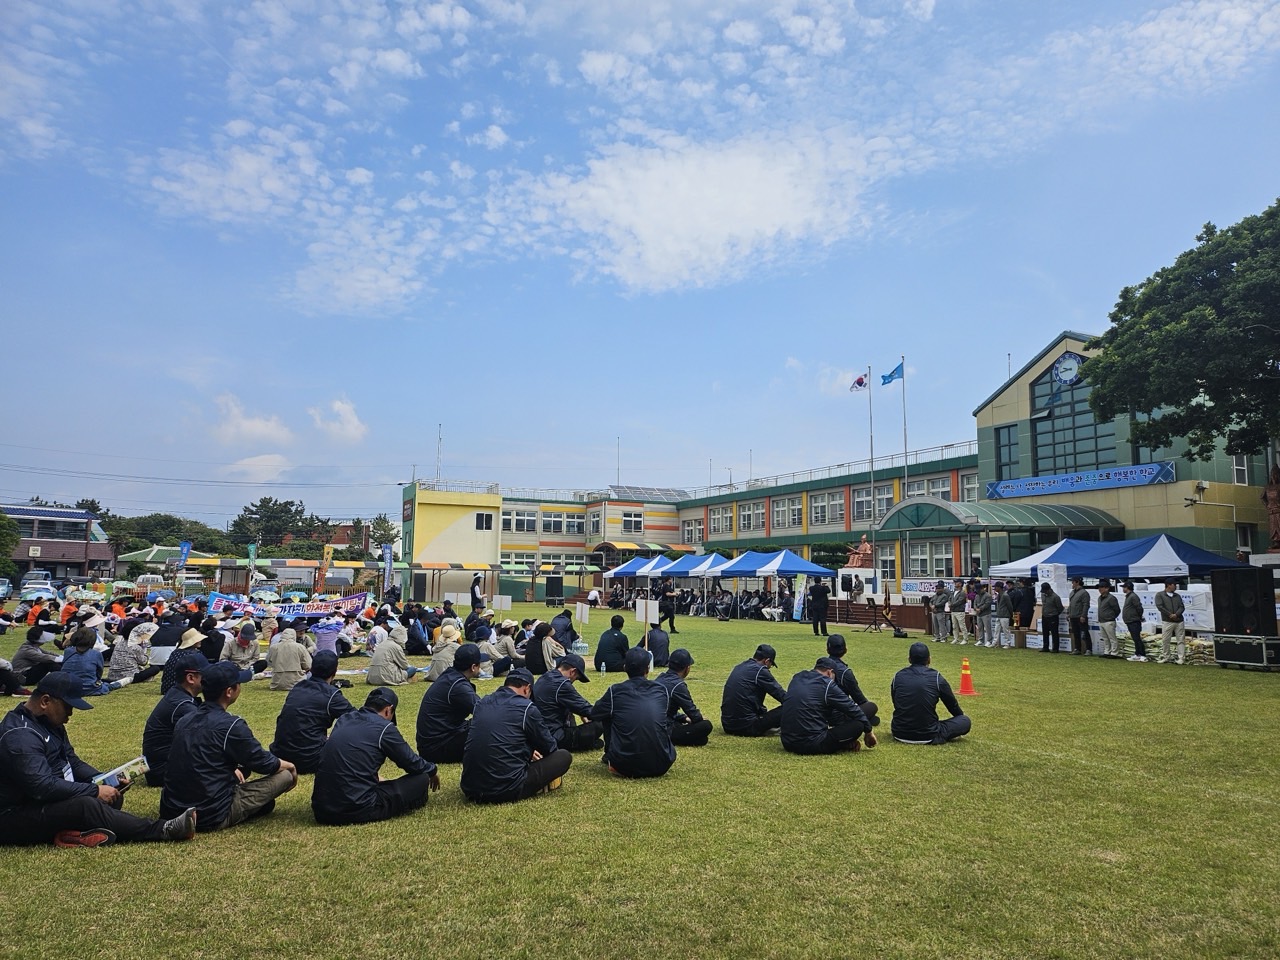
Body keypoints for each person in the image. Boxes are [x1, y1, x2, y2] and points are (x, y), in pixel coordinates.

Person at [0, 673, 198, 848]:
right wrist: (94, 790)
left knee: (112, 797)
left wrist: (104, 780)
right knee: (87, 806)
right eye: (68, 706)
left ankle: (72, 834)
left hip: (43, 801)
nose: (70, 713)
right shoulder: (20, 736)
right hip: (14, 815)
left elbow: (72, 762)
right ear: (45, 701)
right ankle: (164, 829)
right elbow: (42, 787)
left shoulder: (48, 723)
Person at [160, 661, 298, 831]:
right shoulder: (232, 725)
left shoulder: (184, 720)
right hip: (210, 814)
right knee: (284, 776)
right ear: (229, 691)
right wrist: (290, 766)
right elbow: (264, 763)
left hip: (172, 810)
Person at [311, 687, 439, 825]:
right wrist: (432, 770)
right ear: (388, 710)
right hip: (358, 808)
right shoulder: (384, 728)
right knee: (421, 779)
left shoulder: (344, 719)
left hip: (321, 810)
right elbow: (412, 763)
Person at [460, 668, 572, 804]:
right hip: (505, 789)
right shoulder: (527, 708)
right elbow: (550, 747)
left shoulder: (482, 703)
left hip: (470, 787)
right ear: (527, 689)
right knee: (563, 756)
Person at [590, 647, 675, 778]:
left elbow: (595, 713)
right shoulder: (661, 690)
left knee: (607, 714)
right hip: (662, 764)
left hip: (623, 766)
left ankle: (611, 757)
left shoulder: (615, 691)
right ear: (647, 669)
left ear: (625, 668)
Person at [268, 651, 354, 774]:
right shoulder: (332, 695)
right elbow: (356, 719)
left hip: (280, 755)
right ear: (334, 673)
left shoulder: (298, 687)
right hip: (309, 760)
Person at [780, 657, 875, 755]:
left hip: (787, 741)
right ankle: (844, 744)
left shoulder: (797, 677)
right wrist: (869, 732)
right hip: (811, 743)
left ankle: (844, 742)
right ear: (830, 673)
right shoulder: (827, 684)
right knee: (858, 725)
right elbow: (852, 708)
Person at [142, 652, 210, 787]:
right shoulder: (182, 705)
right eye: (205, 675)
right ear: (191, 678)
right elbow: (206, 739)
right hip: (163, 770)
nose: (210, 678)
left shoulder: (178, 695)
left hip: (161, 766)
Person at [890, 642, 971, 745]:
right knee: (965, 721)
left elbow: (896, 702)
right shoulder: (936, 677)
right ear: (929, 659)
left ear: (909, 659)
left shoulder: (898, 676)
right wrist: (959, 718)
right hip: (929, 734)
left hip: (899, 732)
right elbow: (952, 705)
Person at [415, 644, 483, 764]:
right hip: (436, 748)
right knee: (487, 727)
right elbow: (485, 712)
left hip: (432, 742)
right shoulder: (458, 686)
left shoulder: (450, 677)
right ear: (473, 667)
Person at [532, 653, 602, 753]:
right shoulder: (562, 684)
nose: (574, 681)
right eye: (576, 678)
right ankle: (580, 744)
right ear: (572, 672)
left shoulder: (545, 677)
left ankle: (584, 742)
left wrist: (582, 713)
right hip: (555, 736)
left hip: (540, 734)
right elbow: (586, 709)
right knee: (600, 722)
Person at [720, 644, 788, 737]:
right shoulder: (761, 671)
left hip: (727, 724)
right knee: (791, 705)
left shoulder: (739, 666)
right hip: (747, 726)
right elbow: (782, 696)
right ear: (767, 661)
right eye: (771, 665)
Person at [824, 635, 878, 740]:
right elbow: (860, 700)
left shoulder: (820, 667)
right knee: (871, 707)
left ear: (827, 649)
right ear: (845, 650)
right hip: (838, 716)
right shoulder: (845, 672)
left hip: (819, 713)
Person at [654, 648, 712, 746]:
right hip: (665, 729)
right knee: (706, 726)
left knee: (701, 739)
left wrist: (684, 718)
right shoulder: (678, 685)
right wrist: (700, 719)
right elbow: (693, 713)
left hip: (654, 724)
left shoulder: (659, 678)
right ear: (687, 668)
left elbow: (665, 708)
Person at [267, 626, 313, 691]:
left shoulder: (273, 648)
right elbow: (308, 665)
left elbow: (269, 662)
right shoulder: (300, 647)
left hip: (277, 683)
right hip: (297, 682)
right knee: (310, 675)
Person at [1154, 578, 1187, 665]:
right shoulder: (1160, 595)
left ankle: (1181, 658)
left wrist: (1176, 614)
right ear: (1169, 585)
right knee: (1165, 640)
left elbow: (1182, 607)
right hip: (1167, 621)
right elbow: (1160, 607)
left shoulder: (1177, 596)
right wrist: (1170, 615)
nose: (1175, 586)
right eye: (1174, 585)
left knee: (1181, 640)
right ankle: (1166, 657)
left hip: (1179, 620)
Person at [1121, 581, 1148, 662]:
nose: (1123, 589)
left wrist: (1139, 616)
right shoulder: (1129, 596)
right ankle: (1137, 654)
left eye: (1124, 587)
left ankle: (1142, 654)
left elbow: (1139, 607)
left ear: (1127, 587)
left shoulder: (1133, 596)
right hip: (1131, 620)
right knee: (1135, 638)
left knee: (1137, 638)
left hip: (1134, 620)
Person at [1095, 580, 1121, 658]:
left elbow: (1117, 610)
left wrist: (1111, 616)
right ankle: (1107, 651)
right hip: (1102, 620)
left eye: (1101, 587)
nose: (1100, 589)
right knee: (1105, 638)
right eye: (1099, 588)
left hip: (1109, 620)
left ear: (1107, 588)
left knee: (1112, 638)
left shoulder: (1111, 598)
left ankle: (1114, 652)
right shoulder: (1100, 598)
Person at [1067, 576, 1092, 656]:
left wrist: (1083, 615)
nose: (1072, 583)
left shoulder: (1084, 593)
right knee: (1076, 633)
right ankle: (1077, 648)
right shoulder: (1072, 592)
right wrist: (1068, 613)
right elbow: (1071, 604)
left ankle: (1089, 649)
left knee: (1085, 633)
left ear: (1077, 582)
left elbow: (1086, 605)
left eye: (1073, 582)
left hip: (1080, 616)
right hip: (1073, 616)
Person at [1039, 583, 1063, 653]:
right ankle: (1045, 647)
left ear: (1049, 589)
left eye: (1045, 591)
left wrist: (1054, 614)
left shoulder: (1055, 597)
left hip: (1053, 616)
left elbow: (1060, 608)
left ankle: (1055, 648)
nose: (1044, 592)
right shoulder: (1043, 595)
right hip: (1045, 616)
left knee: (1054, 633)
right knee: (1045, 632)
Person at [993, 582, 1015, 649]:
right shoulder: (999, 594)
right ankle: (995, 643)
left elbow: (1010, 606)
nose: (994, 588)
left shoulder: (1005, 595)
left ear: (999, 587)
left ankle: (1008, 643)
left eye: (996, 587)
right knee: (996, 630)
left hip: (1005, 615)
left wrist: (1011, 614)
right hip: (999, 614)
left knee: (1005, 630)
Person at [949, 579, 970, 644]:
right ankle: (956, 638)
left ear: (960, 584)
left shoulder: (962, 593)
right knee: (954, 626)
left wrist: (951, 604)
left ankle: (965, 639)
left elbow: (960, 601)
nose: (955, 584)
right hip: (953, 611)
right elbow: (949, 598)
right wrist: (949, 603)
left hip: (960, 611)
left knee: (962, 626)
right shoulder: (953, 592)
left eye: (957, 582)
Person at [972, 582, 993, 646]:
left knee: (987, 628)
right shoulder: (977, 595)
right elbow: (974, 603)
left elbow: (987, 604)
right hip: (979, 614)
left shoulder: (988, 596)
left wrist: (980, 609)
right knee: (980, 628)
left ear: (982, 589)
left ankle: (989, 640)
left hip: (986, 614)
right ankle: (981, 640)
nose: (978, 591)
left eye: (979, 590)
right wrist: (975, 609)